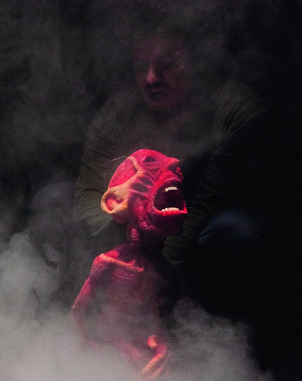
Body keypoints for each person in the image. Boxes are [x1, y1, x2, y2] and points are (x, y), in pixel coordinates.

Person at [74, 22, 273, 319]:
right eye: (141, 67)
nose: (151, 78)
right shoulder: (117, 116)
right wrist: (129, 241)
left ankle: (220, 335)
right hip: (130, 235)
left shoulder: (233, 111)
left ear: (196, 61)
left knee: (236, 230)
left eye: (166, 65)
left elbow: (203, 208)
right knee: (52, 201)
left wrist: (155, 276)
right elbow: (89, 197)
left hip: (197, 238)